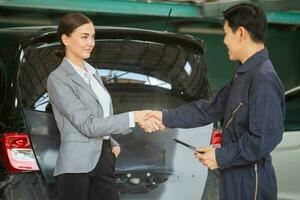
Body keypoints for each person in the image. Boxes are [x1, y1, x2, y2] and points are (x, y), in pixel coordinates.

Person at [144, 3, 285, 200]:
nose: (225, 40)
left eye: (226, 33)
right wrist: (164, 116)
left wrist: (220, 156)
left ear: (241, 33)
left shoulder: (263, 79)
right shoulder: (245, 74)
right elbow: (210, 110)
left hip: (250, 180)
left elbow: (263, 139)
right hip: (235, 173)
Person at [47, 13, 159, 200]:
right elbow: (88, 125)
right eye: (84, 36)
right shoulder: (58, 79)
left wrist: (112, 146)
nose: (91, 42)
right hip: (76, 166)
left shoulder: (93, 73)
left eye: (92, 36)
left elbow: (102, 116)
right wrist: (134, 117)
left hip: (104, 158)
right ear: (65, 39)